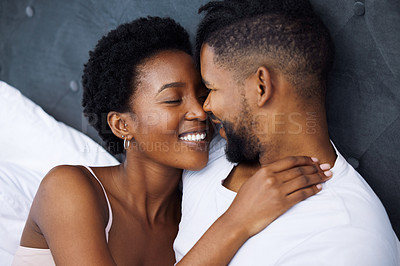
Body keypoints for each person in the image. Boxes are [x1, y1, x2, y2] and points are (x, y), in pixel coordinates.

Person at [12, 16, 331, 265]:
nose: (201, 111)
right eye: (173, 100)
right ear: (122, 124)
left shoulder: (189, 217)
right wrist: (237, 221)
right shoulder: (69, 189)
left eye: (203, 93)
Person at [174, 0, 400, 265]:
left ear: (261, 86)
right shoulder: (207, 152)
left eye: (212, 88)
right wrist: (233, 224)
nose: (206, 106)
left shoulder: (345, 240)